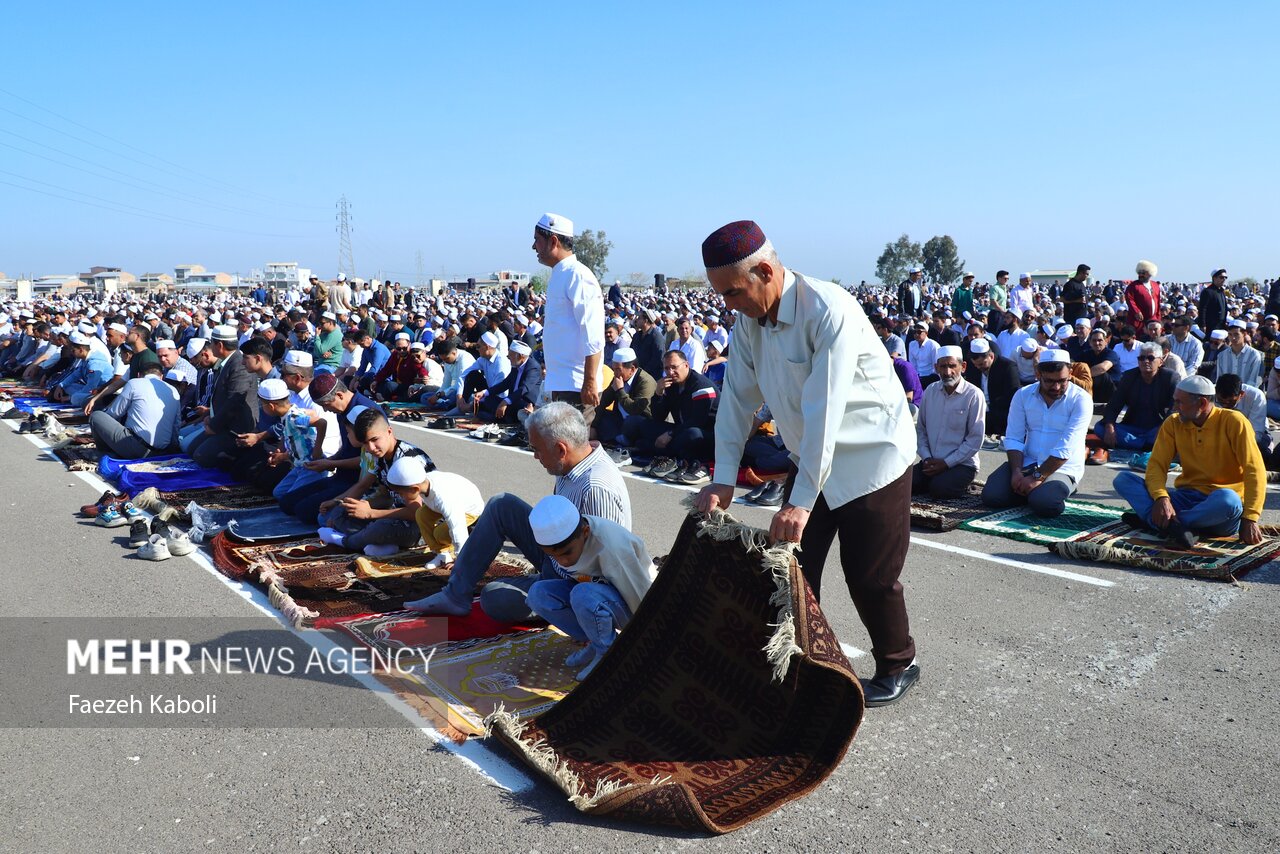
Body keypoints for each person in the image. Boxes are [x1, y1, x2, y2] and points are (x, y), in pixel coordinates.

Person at [693, 220, 920, 707]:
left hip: (870, 456)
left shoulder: (828, 309)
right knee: (791, 563)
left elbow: (826, 412)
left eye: (734, 293)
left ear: (767, 270)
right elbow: (736, 400)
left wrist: (799, 503)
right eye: (723, 296)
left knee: (870, 575)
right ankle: (795, 657)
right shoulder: (748, 320)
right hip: (810, 454)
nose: (729, 305)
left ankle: (899, 662)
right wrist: (722, 478)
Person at [405, 403, 630, 619]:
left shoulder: (595, 488)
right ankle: (454, 595)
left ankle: (555, 601)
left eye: (537, 450)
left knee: (494, 597)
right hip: (560, 556)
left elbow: (604, 568)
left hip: (579, 581)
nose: (535, 456)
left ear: (561, 449)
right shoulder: (573, 462)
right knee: (501, 505)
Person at [1113, 374, 1264, 547]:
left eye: (1179, 402)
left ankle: (1159, 523)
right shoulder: (1173, 423)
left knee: (1229, 500)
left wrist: (1250, 518)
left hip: (1218, 510)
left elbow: (1255, 470)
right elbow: (1156, 465)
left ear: (1202, 403)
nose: (1174, 407)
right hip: (1185, 498)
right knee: (1124, 480)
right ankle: (1174, 526)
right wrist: (1161, 498)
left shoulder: (1234, 421)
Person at [524, 495, 658, 680]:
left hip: (638, 605)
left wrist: (647, 643)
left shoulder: (611, 547)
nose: (563, 561)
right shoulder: (567, 542)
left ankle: (609, 654)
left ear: (585, 532)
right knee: (538, 594)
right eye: (554, 556)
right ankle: (596, 642)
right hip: (600, 597)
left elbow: (641, 596)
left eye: (567, 553)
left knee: (583, 594)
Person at [981, 350, 1090, 517]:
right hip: (1028, 462)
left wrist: (1037, 477)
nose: (1056, 387)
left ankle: (1050, 489)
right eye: (1049, 381)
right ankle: (1032, 490)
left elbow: (1066, 447)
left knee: (1045, 503)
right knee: (992, 496)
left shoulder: (1081, 399)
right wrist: (1017, 471)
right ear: (1038, 374)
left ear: (1070, 373)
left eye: (1062, 381)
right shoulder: (1023, 395)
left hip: (1062, 468)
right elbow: (1014, 438)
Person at [317, 408, 435, 557]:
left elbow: (417, 512)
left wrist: (371, 513)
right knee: (336, 514)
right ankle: (381, 544)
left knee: (379, 528)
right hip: (399, 515)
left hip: (424, 525)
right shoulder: (380, 456)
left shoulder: (407, 461)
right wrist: (351, 505)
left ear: (389, 432)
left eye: (374, 440)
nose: (371, 448)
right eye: (365, 443)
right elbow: (385, 494)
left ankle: (345, 541)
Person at [534, 212, 604, 418]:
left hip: (577, 383)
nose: (534, 247)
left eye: (537, 240)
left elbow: (592, 333)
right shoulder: (560, 273)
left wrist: (590, 381)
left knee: (573, 447)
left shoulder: (578, 275)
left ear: (553, 241)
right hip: (562, 382)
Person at [627, 349, 718, 485]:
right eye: (667, 368)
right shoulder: (671, 384)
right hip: (681, 430)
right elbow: (658, 417)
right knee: (635, 422)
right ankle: (663, 451)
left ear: (686, 365)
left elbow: (698, 421)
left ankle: (658, 451)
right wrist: (658, 393)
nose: (670, 372)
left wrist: (670, 434)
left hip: (706, 435)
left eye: (674, 367)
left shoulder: (701, 386)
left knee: (692, 434)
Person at [383, 455, 484, 571]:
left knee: (440, 534)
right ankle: (442, 554)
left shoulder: (444, 498)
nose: (400, 497)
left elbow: (457, 527)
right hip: (442, 506)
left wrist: (461, 560)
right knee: (421, 515)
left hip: (468, 509)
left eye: (401, 493)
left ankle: (468, 543)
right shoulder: (423, 483)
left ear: (415, 489)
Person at [913, 346, 984, 498]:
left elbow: (975, 440)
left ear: (963, 367)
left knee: (939, 489)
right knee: (904, 483)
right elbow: (921, 430)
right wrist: (926, 458)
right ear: (936, 368)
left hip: (961, 464)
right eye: (943, 367)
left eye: (952, 366)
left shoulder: (974, 395)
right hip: (931, 461)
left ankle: (957, 484)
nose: (947, 372)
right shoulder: (930, 391)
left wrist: (946, 463)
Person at [188, 325, 260, 470]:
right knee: (191, 450)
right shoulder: (228, 362)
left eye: (212, 343)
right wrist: (210, 416)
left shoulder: (238, 364)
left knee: (201, 456)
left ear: (219, 345)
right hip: (223, 423)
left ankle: (237, 459)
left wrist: (214, 426)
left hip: (236, 429)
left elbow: (234, 402)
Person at [1090, 342, 1177, 458]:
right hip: (1132, 427)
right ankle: (1147, 445)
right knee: (1099, 428)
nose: (1145, 361)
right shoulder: (1129, 376)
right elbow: (1114, 404)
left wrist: (1162, 429)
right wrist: (1109, 426)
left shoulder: (1170, 377)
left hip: (1157, 428)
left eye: (1150, 358)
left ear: (1160, 362)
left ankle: (1138, 443)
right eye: (1141, 358)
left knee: (1175, 433)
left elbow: (1175, 407)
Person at [88, 358, 180, 459]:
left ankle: (106, 454)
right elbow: (176, 426)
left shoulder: (134, 383)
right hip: (161, 452)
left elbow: (114, 413)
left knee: (97, 416)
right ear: (161, 377)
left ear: (139, 375)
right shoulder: (173, 390)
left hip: (136, 448)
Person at [963, 338, 1020, 437]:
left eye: (981, 364)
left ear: (991, 356)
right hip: (979, 411)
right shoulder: (973, 367)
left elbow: (1012, 395)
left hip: (1000, 413)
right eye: (975, 364)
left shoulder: (1008, 367)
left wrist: (988, 406)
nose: (978, 367)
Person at [476, 339, 541, 424]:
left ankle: (500, 418)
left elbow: (523, 389)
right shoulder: (516, 365)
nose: (508, 357)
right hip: (512, 400)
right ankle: (498, 417)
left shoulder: (533, 367)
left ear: (521, 356)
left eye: (511, 355)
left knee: (511, 407)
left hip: (525, 402)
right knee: (486, 399)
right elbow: (505, 384)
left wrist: (505, 401)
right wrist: (485, 392)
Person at [1215, 373, 1271, 454]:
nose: (1225, 406)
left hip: (1247, 435)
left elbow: (1256, 434)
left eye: (1231, 402)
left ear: (1241, 394)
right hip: (1222, 436)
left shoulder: (1256, 396)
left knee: (1261, 451)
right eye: (1221, 401)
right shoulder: (1209, 394)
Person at [1215, 321, 1262, 387]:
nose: (1233, 338)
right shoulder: (1222, 356)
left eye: (1236, 334)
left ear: (1244, 334)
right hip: (1226, 394)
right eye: (1230, 334)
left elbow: (1253, 381)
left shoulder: (1254, 355)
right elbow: (1219, 378)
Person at [1080, 328, 1121, 403]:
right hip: (1094, 389)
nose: (1097, 343)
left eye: (1100, 340)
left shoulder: (1111, 354)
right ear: (1089, 342)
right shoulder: (1086, 354)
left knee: (1101, 375)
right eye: (1094, 340)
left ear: (1106, 341)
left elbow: (1103, 368)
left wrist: (1082, 375)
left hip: (1111, 390)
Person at [1125, 261, 1162, 333]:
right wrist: (1136, 311)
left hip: (1153, 319)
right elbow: (1129, 299)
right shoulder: (1133, 286)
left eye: (1143, 273)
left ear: (1150, 273)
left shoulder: (1155, 285)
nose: (1140, 275)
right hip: (1138, 320)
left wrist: (1158, 317)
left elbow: (1158, 302)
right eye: (1139, 273)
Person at [907, 321, 940, 387]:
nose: (916, 334)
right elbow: (913, 364)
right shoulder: (912, 344)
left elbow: (936, 365)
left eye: (919, 332)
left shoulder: (933, 345)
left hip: (931, 377)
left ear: (926, 333)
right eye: (914, 332)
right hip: (917, 376)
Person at [1198, 269, 1229, 333]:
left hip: (1221, 325)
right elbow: (1202, 309)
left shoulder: (1221, 291)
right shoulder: (1208, 291)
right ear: (1214, 278)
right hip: (1211, 325)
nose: (1224, 279)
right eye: (1221, 277)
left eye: (1225, 277)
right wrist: (1202, 324)